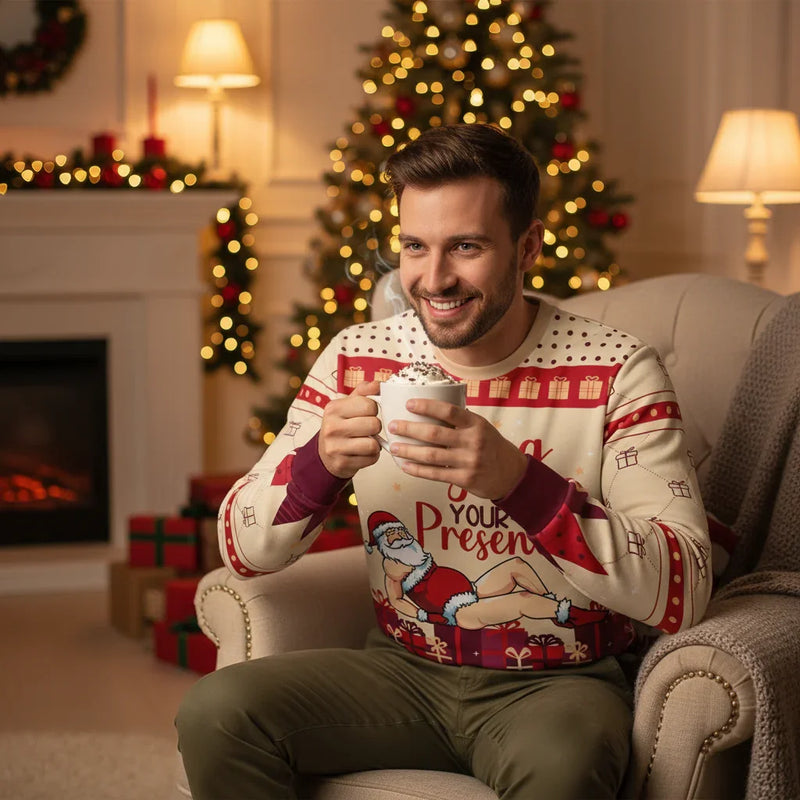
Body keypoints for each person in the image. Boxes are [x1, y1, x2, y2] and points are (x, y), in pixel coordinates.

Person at [176, 123, 711, 799]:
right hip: (402, 670)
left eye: (466, 246)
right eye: (414, 247)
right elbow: (241, 549)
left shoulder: (617, 371)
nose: (434, 279)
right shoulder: (356, 358)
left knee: (565, 770)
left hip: (560, 682)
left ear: (528, 246)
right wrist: (319, 465)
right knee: (215, 713)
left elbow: (686, 586)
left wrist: (518, 483)